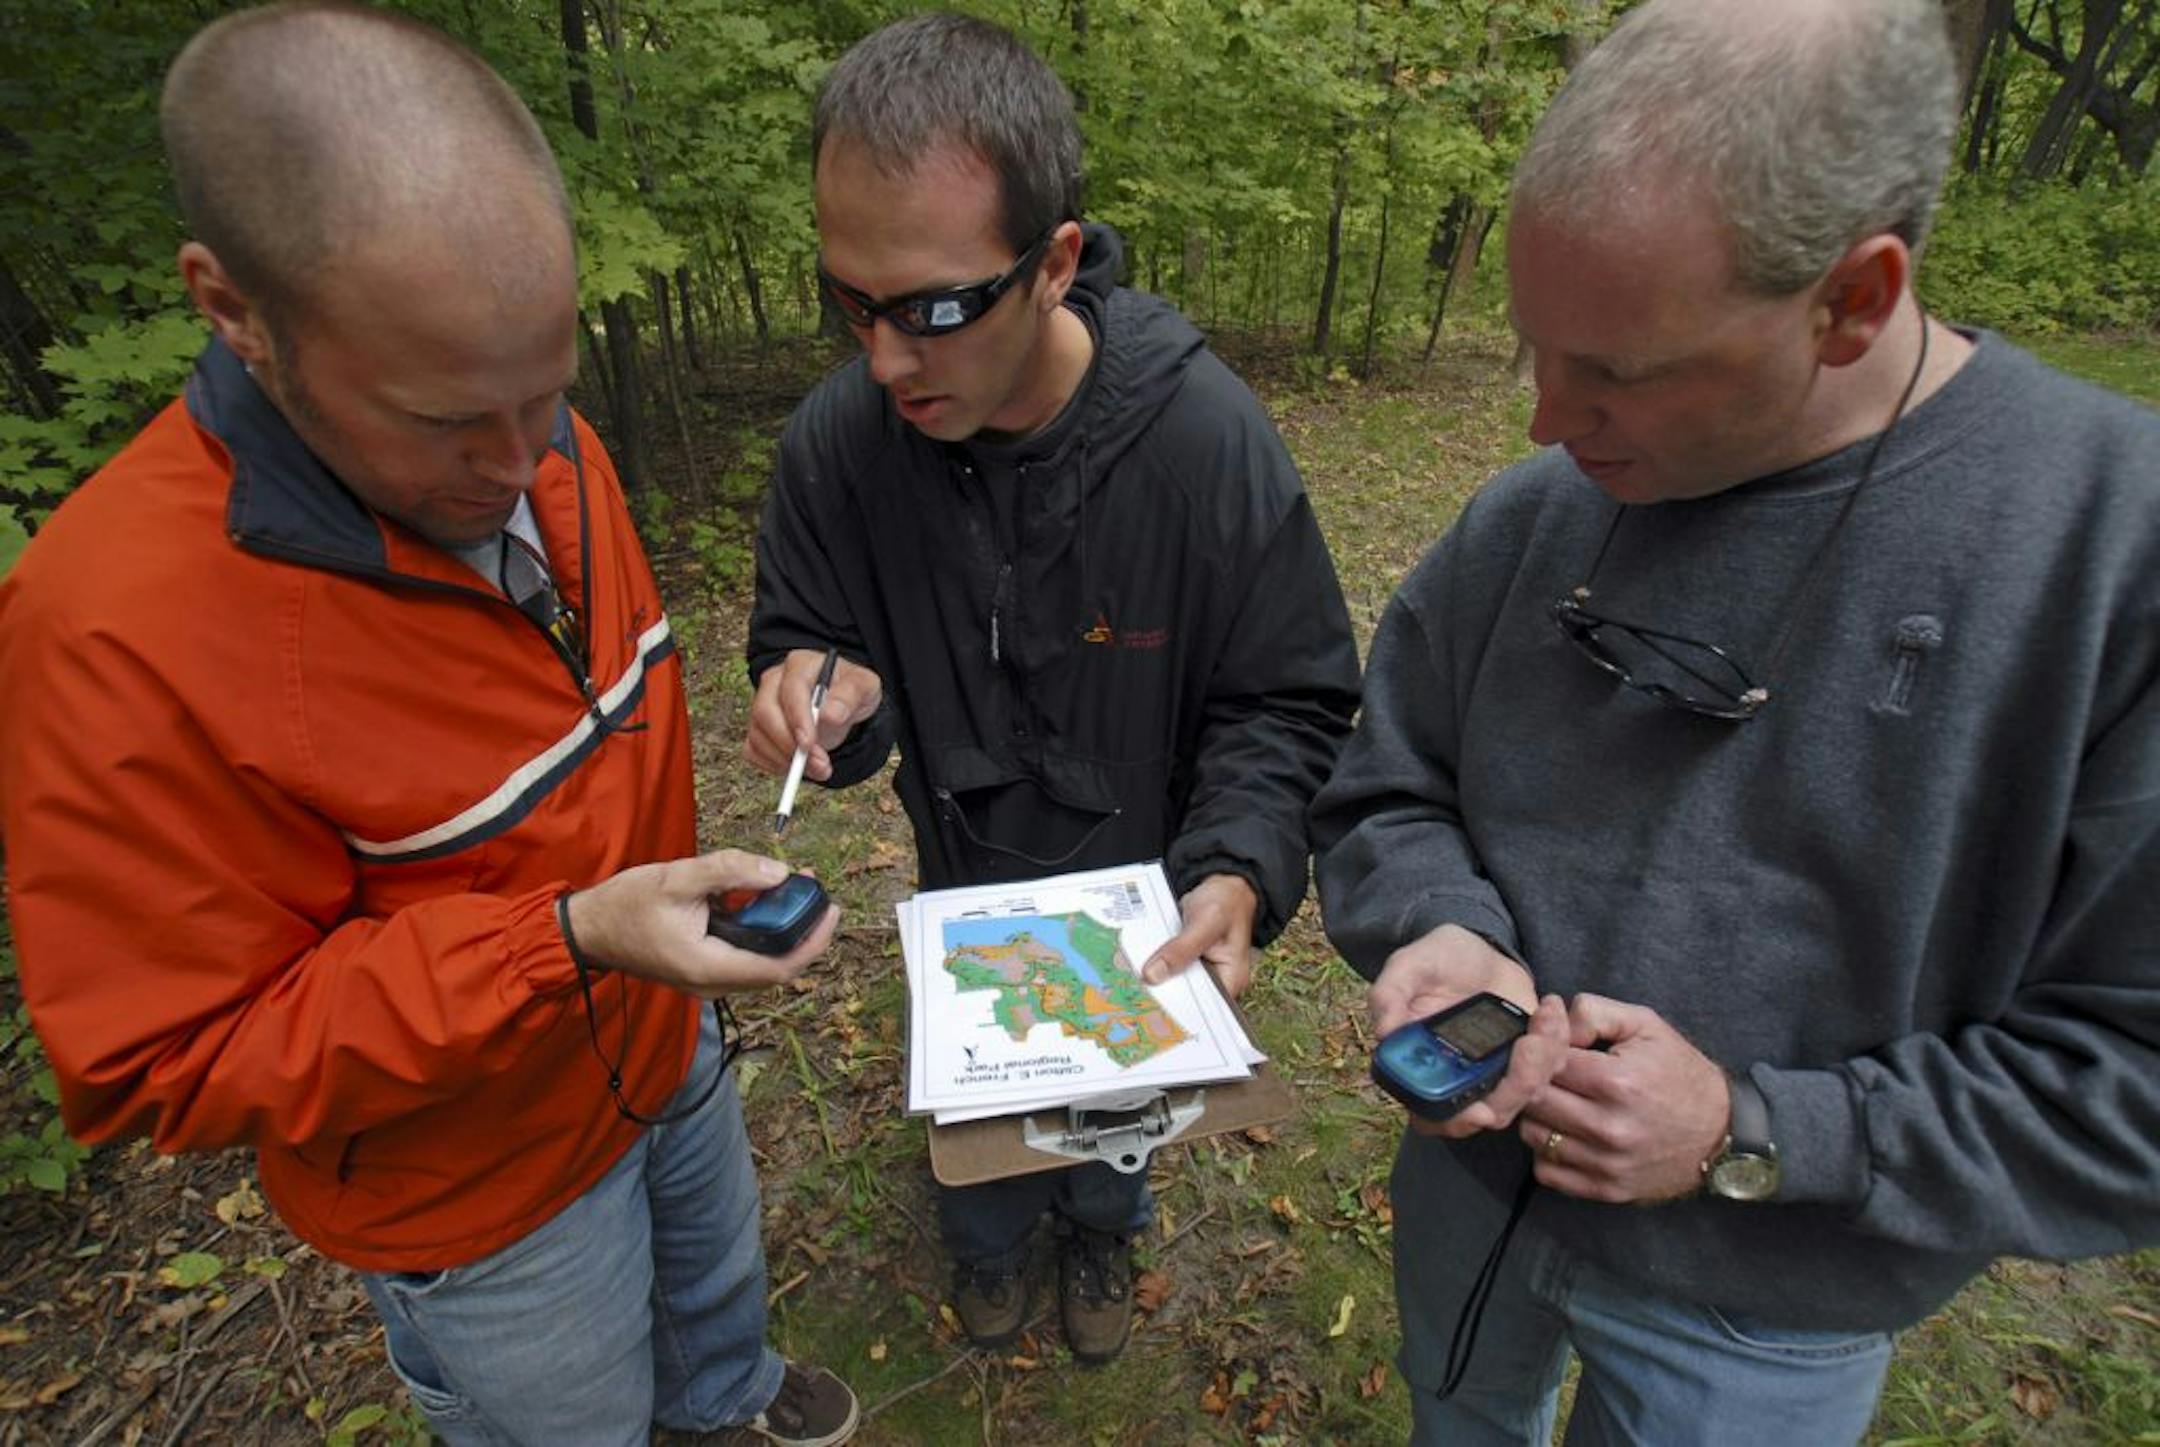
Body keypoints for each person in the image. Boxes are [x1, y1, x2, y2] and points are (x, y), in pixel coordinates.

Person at [0, 6, 859, 1444]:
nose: (522, 463)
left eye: (549, 391)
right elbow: (178, 1055)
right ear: (235, 309)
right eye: (450, 419)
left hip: (665, 1054)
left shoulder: (531, 442)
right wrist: (568, 939)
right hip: (486, 1206)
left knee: (718, 1326)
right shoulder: (110, 630)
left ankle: (726, 1405)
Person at [1310, 0, 2160, 1441]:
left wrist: (1756, 1135)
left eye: (1618, 370)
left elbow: (2131, 1079)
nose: (1544, 422)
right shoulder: (1535, 517)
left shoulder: (2107, 555)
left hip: (1766, 1303)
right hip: (1474, 1199)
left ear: (1856, 300)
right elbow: (1387, 783)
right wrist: (1437, 927)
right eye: (1537, 349)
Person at [745, 13, 1360, 1365]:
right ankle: (990, 1248)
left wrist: (1243, 868)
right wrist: (813, 696)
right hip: (961, 900)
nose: (888, 359)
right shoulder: (838, 450)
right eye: (851, 301)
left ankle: (1101, 1234)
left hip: (1144, 912)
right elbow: (813, 636)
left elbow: (1290, 700)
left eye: (937, 309)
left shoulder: (1204, 446)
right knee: (975, 1159)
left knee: (1111, 1139)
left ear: (1057, 262)